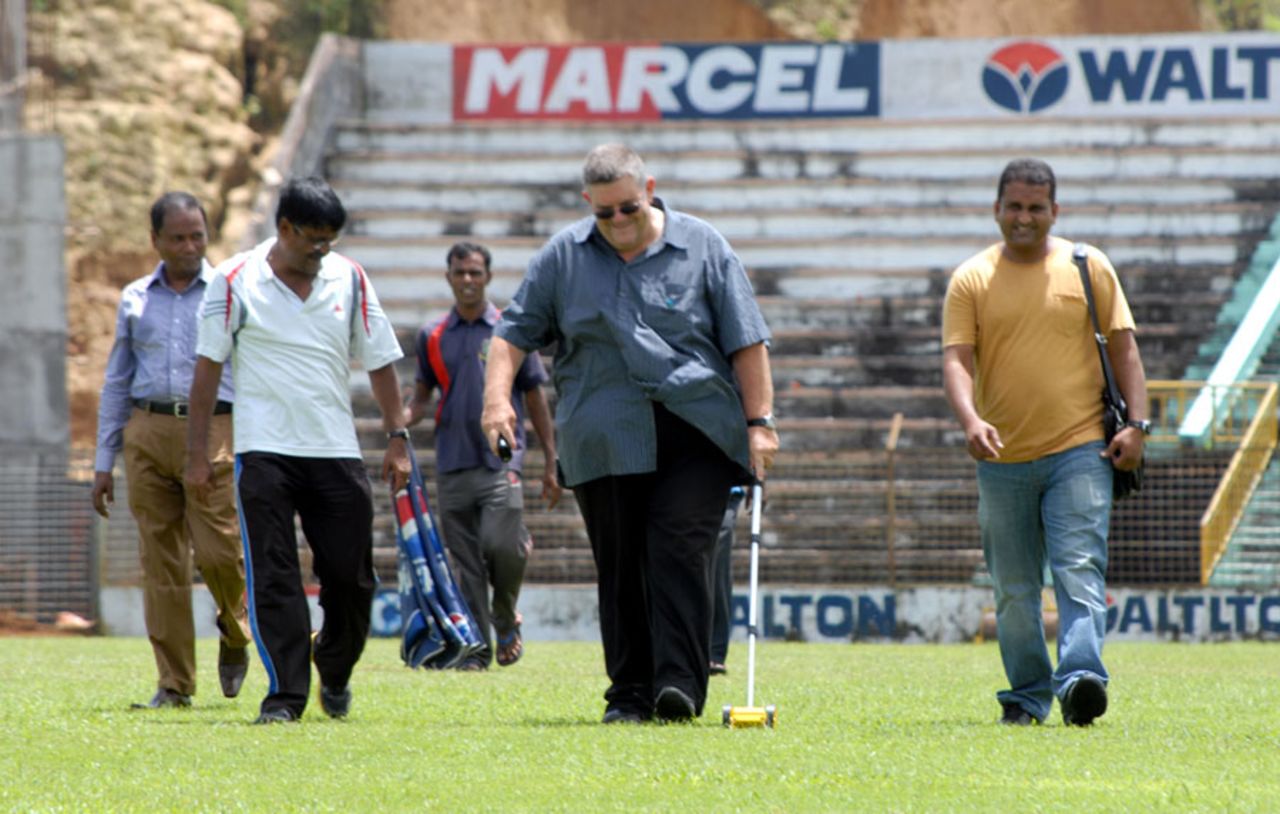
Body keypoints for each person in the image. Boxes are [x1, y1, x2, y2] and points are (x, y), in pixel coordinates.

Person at [480, 144, 778, 724]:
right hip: (604, 432)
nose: (618, 222)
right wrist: (497, 402)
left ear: (651, 190)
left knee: (679, 549)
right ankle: (630, 694)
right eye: (604, 212)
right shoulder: (563, 256)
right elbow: (511, 335)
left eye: (629, 208)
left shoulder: (703, 246)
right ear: (587, 203)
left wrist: (759, 424)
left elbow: (748, 340)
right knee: (619, 564)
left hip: (697, 427)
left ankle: (680, 685)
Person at [184, 176, 410, 724]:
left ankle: (333, 667)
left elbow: (380, 361)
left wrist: (397, 437)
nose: (321, 250)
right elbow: (208, 367)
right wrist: (196, 454)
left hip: (335, 449)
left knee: (352, 580)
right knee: (275, 575)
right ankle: (285, 696)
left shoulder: (350, 277)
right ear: (284, 228)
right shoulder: (236, 279)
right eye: (313, 238)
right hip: (263, 452)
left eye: (330, 240)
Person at [942, 158, 1148, 727]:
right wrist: (969, 421)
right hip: (1002, 457)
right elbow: (957, 361)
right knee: (1012, 589)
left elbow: (1126, 348)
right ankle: (1028, 695)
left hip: (1080, 449)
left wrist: (1137, 424)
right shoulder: (972, 278)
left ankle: (1081, 678)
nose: (1024, 217)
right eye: (1014, 207)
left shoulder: (1089, 266)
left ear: (1054, 211)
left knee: (1079, 567)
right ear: (997, 209)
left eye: (1036, 208)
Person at [91, 191, 252, 710]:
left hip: (212, 431)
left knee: (219, 551)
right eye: (177, 237)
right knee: (161, 563)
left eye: (197, 236)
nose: (189, 246)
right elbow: (117, 381)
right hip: (147, 429)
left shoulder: (229, 293)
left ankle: (234, 629)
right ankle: (175, 684)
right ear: (154, 240)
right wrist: (103, 462)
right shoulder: (135, 297)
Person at [404, 241, 561, 670]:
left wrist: (550, 459)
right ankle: (476, 652)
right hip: (452, 463)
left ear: (488, 277)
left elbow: (535, 397)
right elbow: (421, 397)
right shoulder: (431, 336)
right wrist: (400, 416)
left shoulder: (509, 331)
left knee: (504, 544)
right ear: (449, 277)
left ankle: (505, 614)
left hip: (501, 461)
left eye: (475, 272)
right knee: (466, 563)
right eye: (460, 273)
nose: (468, 280)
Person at [709, 486, 745, 675]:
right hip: (682, 485)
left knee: (717, 564)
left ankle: (715, 653)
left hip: (726, 488)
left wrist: (760, 482)